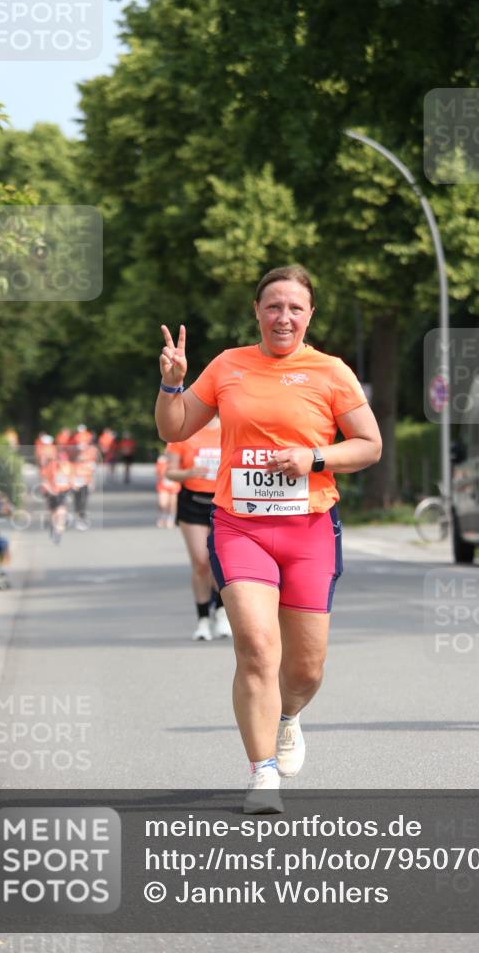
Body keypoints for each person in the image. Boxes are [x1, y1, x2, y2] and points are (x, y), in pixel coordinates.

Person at [155, 264, 382, 812]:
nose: (284, 317)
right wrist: (171, 383)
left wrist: (315, 457)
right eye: (273, 306)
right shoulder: (229, 365)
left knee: (305, 669)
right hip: (241, 526)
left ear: (309, 315)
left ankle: (288, 717)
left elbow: (369, 445)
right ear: (257, 311)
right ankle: (261, 773)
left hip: (310, 529)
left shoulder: (330, 372)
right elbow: (174, 428)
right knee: (256, 648)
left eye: (294, 308)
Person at [165, 418, 231, 641]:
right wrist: (189, 472)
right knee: (201, 562)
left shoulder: (231, 427)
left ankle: (222, 613)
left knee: (220, 562)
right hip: (192, 502)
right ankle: (203, 619)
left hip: (224, 502)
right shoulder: (184, 432)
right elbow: (170, 472)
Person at [39, 439, 73, 543]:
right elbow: (44, 479)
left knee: (61, 511)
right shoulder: (50, 466)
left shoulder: (69, 467)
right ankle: (53, 526)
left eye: (63, 460)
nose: (61, 462)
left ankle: (58, 531)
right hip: (50, 492)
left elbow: (72, 479)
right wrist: (49, 489)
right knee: (52, 512)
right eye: (59, 459)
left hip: (62, 492)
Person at [69, 440, 99, 530]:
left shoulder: (88, 464)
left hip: (84, 484)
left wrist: (91, 484)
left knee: (83, 501)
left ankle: (82, 517)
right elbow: (69, 475)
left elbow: (91, 475)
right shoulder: (72, 465)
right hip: (75, 485)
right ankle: (78, 515)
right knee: (77, 501)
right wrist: (71, 484)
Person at [155, 444, 180, 528]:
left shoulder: (178, 459)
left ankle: (171, 519)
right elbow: (158, 473)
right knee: (162, 503)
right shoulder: (161, 461)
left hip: (174, 485)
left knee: (172, 503)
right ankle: (163, 516)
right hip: (163, 485)